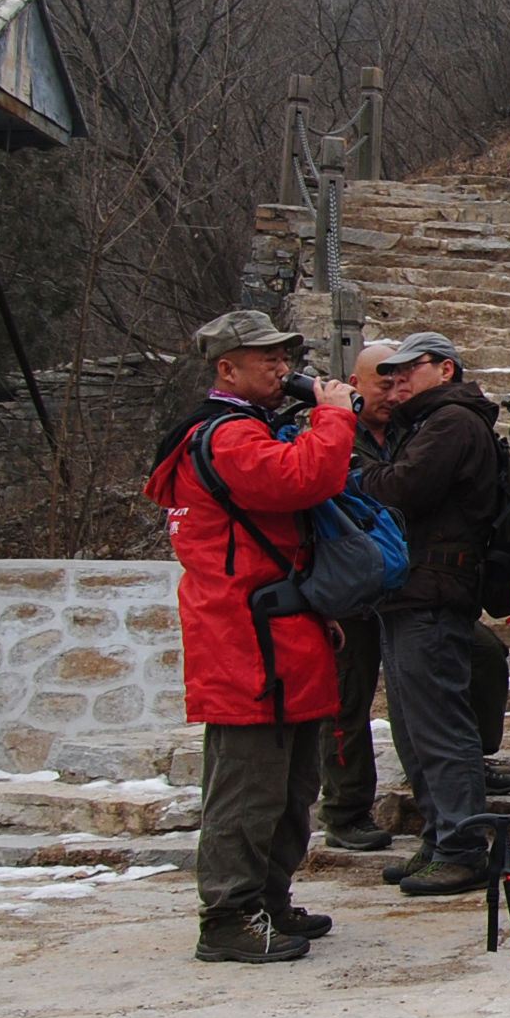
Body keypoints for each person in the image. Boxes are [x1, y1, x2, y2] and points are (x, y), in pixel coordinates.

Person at [144, 310, 359, 964]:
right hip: (247, 642)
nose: (282, 366)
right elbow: (306, 477)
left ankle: (267, 899)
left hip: (277, 634)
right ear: (226, 369)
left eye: (283, 354)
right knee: (248, 783)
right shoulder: (229, 437)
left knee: (292, 782)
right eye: (265, 357)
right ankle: (229, 915)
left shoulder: (242, 430)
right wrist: (334, 416)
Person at [354, 332, 510, 899]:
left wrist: (354, 472)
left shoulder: (452, 422)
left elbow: (401, 488)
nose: (396, 381)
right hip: (411, 591)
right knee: (413, 728)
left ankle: (464, 844)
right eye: (387, 374)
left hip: (435, 590)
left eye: (407, 370)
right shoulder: (428, 423)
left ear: (444, 369)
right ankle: (441, 834)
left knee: (439, 727)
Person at [320, 339, 407, 851]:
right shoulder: (332, 431)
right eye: (383, 383)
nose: (394, 393)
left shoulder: (412, 431)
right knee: (347, 700)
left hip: (402, 581)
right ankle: (345, 810)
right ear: (355, 385)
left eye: (401, 382)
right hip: (348, 584)